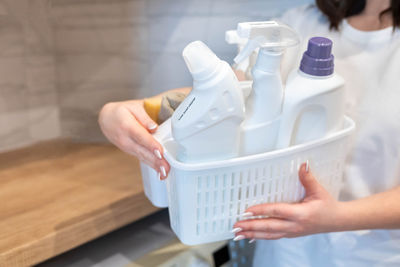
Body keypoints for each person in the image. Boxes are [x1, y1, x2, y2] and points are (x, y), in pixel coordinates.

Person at [99, 0, 400, 265]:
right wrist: (127, 111)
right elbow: (231, 94)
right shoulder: (299, 22)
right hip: (283, 253)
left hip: (371, 255)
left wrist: (338, 219)